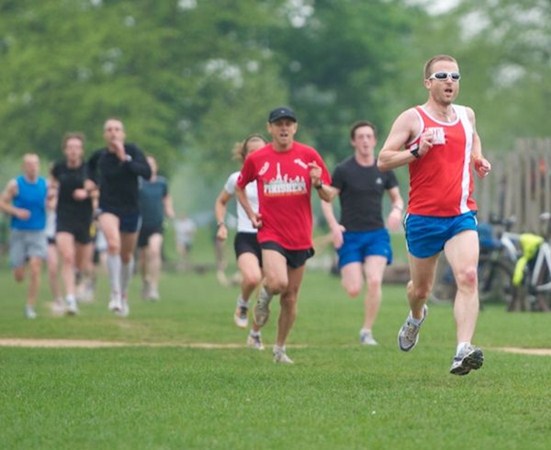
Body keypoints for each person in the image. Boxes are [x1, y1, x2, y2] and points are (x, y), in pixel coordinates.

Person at [377, 54, 492, 376]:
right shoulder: (412, 119)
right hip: (424, 218)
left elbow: (473, 137)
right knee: (420, 290)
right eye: (442, 76)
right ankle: (415, 317)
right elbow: (383, 160)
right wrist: (416, 151)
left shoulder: (467, 115)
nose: (449, 82)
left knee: (468, 276)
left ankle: (462, 350)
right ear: (428, 83)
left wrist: (478, 157)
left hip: (461, 214)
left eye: (455, 77)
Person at [235, 107, 336, 363]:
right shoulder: (258, 158)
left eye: (288, 124)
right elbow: (240, 187)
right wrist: (251, 213)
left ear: (295, 128)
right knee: (278, 283)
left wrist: (317, 183)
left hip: (301, 236)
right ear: (270, 128)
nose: (283, 128)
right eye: (278, 124)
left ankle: (279, 349)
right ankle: (265, 295)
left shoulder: (308, 155)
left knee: (291, 297)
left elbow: (329, 194)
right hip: (271, 232)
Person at [321, 121, 404, 346]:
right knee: (353, 289)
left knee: (375, 280)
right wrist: (333, 225)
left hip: (376, 234)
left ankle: (366, 331)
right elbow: (327, 198)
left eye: (369, 136)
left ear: (375, 141)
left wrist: (396, 212)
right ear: (353, 141)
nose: (365, 141)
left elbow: (397, 198)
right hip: (350, 236)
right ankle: (349, 277)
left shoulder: (384, 168)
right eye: (360, 137)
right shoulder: (343, 170)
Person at [87, 118, 152, 317]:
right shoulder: (100, 156)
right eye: (109, 130)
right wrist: (91, 183)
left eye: (117, 129)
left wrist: (126, 158)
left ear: (123, 133)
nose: (113, 133)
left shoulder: (133, 150)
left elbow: (147, 173)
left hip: (131, 208)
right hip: (108, 207)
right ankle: (114, 293)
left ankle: (123, 294)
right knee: (113, 245)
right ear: (104, 135)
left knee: (126, 255)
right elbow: (89, 170)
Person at [215, 134, 267, 350]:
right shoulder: (236, 178)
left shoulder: (275, 177)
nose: (257, 155)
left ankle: (255, 334)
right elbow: (221, 202)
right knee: (253, 277)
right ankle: (242, 302)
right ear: (245, 156)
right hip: (246, 236)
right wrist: (222, 224)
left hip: (271, 237)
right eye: (252, 151)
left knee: (266, 294)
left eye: (261, 151)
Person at [50, 132, 95, 315]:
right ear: (65, 150)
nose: (73, 151)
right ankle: (70, 300)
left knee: (82, 264)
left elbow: (96, 189)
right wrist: (51, 195)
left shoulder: (89, 169)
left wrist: (87, 192)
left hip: (84, 218)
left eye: (77, 147)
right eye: (70, 148)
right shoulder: (58, 168)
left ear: (82, 150)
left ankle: (78, 276)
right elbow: (52, 183)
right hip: (64, 216)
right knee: (67, 256)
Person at [0, 154, 50, 319]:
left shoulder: (45, 184)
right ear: (23, 167)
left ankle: (30, 306)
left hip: (38, 232)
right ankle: (21, 265)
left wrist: (51, 205)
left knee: (35, 269)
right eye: (29, 164)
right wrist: (16, 212)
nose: (33, 167)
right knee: (19, 276)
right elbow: (2, 203)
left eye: (35, 163)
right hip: (19, 232)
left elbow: (52, 203)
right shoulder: (15, 185)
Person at [137, 155, 175, 301]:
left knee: (154, 251)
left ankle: (154, 287)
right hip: (141, 224)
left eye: (152, 164)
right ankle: (145, 280)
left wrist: (169, 210)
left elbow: (166, 198)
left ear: (155, 166)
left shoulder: (162, 183)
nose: (149, 166)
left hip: (157, 223)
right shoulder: (139, 183)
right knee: (143, 258)